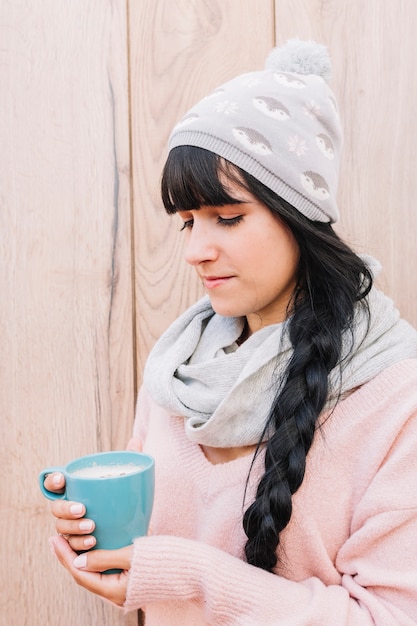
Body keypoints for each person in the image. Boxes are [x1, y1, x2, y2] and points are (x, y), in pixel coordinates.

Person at [45, 39, 417, 624]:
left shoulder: (396, 399)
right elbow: (150, 559)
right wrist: (104, 543)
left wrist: (191, 574)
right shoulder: (178, 367)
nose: (195, 250)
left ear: (300, 214)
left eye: (228, 217)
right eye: (187, 222)